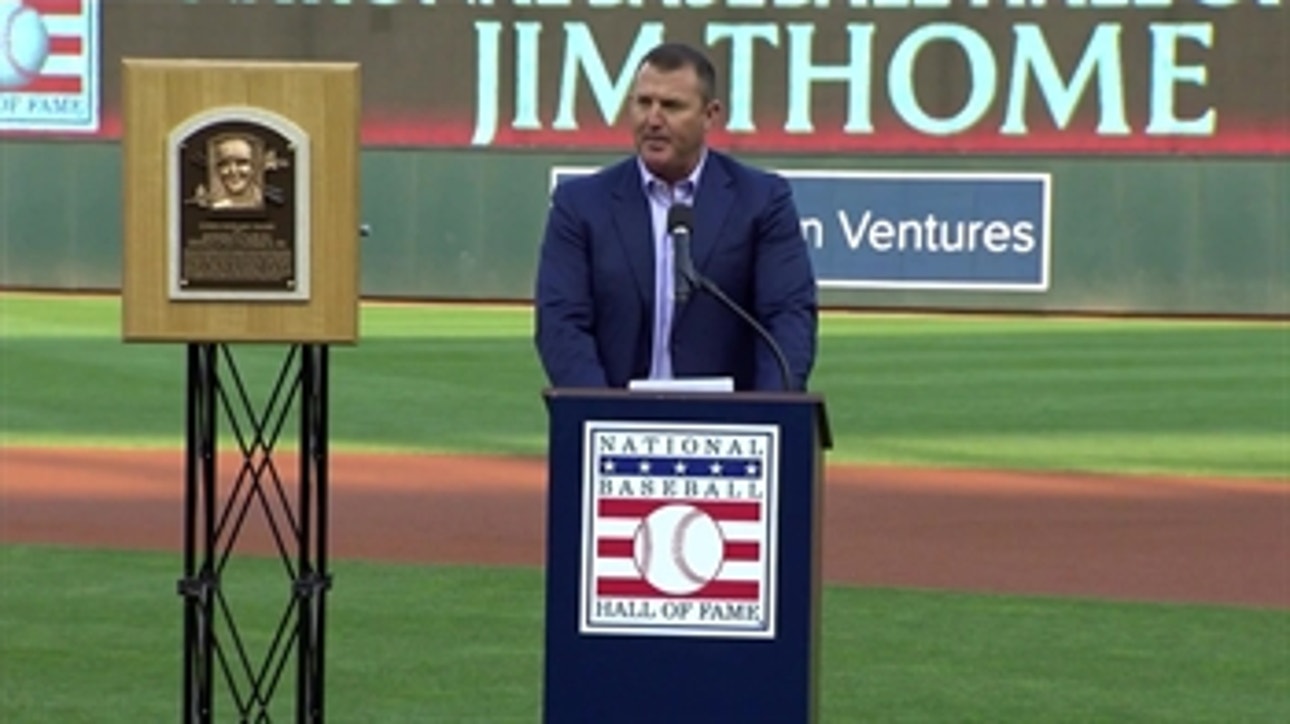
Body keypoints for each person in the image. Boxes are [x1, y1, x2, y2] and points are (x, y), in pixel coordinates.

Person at [534, 42, 817, 391]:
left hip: (728, 419)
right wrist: (599, 411)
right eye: (643, 103)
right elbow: (562, 323)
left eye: (671, 106)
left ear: (710, 115)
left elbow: (787, 318)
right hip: (614, 415)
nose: (653, 120)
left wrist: (768, 413)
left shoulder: (761, 201)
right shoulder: (580, 205)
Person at [209, 135, 264, 210]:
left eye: (241, 162)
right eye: (225, 163)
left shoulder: (264, 201)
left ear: (254, 167)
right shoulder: (215, 206)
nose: (233, 171)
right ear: (217, 169)